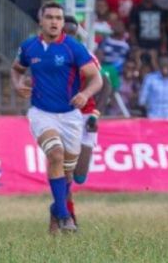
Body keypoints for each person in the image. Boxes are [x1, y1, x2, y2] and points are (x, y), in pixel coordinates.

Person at [10, 2, 103, 233]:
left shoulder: (74, 48)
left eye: (58, 18)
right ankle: (64, 215)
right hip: (41, 114)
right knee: (55, 154)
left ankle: (56, 208)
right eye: (49, 17)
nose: (54, 22)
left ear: (63, 22)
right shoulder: (29, 47)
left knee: (69, 173)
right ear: (40, 21)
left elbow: (97, 79)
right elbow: (16, 69)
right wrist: (18, 84)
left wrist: (85, 93)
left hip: (71, 117)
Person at [62, 16, 110, 225]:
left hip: (86, 117)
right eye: (66, 33)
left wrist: (96, 114)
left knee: (79, 175)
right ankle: (67, 216)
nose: (69, 37)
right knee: (65, 171)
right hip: (62, 117)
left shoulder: (86, 56)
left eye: (73, 33)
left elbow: (105, 85)